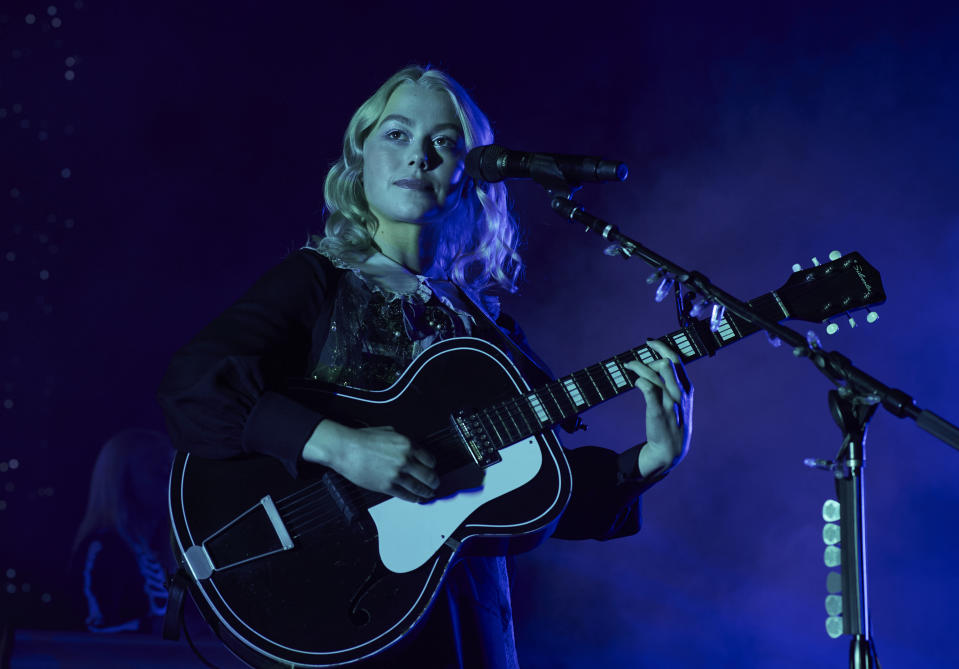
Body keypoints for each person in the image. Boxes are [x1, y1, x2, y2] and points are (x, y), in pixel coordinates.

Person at [157, 65, 693, 668]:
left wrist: (647, 464)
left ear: (472, 173)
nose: (419, 156)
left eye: (445, 142)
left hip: (465, 620)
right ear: (360, 157)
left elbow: (526, 497)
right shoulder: (316, 281)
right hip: (338, 604)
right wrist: (340, 446)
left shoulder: (486, 330)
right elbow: (193, 385)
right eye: (397, 134)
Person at [72, 429, 175, 634]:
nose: (170, 482)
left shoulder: (165, 552)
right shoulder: (102, 549)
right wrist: (153, 628)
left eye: (172, 472)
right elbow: (91, 628)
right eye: (160, 471)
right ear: (122, 479)